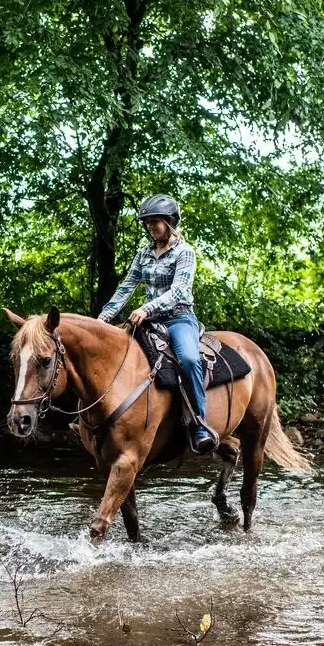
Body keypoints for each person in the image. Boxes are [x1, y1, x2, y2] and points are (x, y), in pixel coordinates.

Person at [98, 194, 217, 455]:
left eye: (156, 221)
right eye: (148, 222)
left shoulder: (185, 252)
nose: (151, 226)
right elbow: (126, 288)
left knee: (188, 359)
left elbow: (179, 291)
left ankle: (199, 425)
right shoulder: (143, 255)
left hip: (179, 318)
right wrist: (100, 321)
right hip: (148, 321)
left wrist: (146, 308)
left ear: (170, 222)